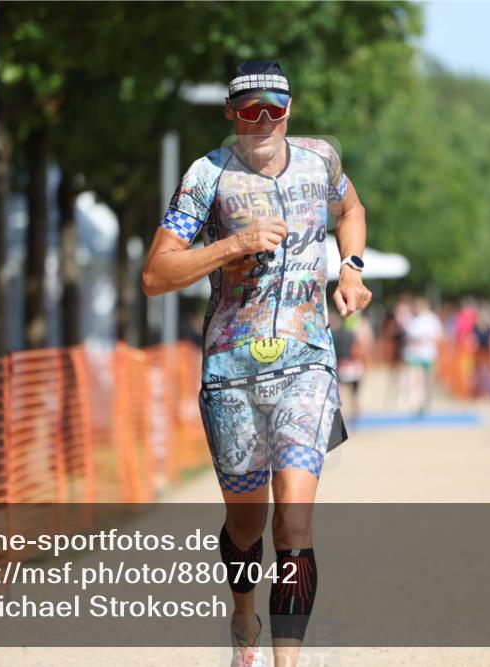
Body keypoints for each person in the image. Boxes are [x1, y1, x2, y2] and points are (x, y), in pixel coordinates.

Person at [141, 60, 371, 667]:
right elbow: (155, 274)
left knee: (293, 524)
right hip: (231, 375)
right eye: (249, 111)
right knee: (248, 526)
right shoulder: (206, 176)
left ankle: (285, 660)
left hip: (307, 366)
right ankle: (243, 611)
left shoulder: (321, 159)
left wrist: (351, 268)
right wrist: (233, 244)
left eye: (273, 109)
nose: (262, 122)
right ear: (231, 114)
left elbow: (352, 211)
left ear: (289, 110)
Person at [402, 297, 443, 415]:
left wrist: (426, 339)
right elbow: (408, 336)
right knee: (414, 380)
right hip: (414, 355)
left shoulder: (432, 319)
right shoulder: (413, 319)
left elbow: (438, 335)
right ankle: (415, 404)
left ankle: (424, 404)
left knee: (426, 381)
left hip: (427, 354)